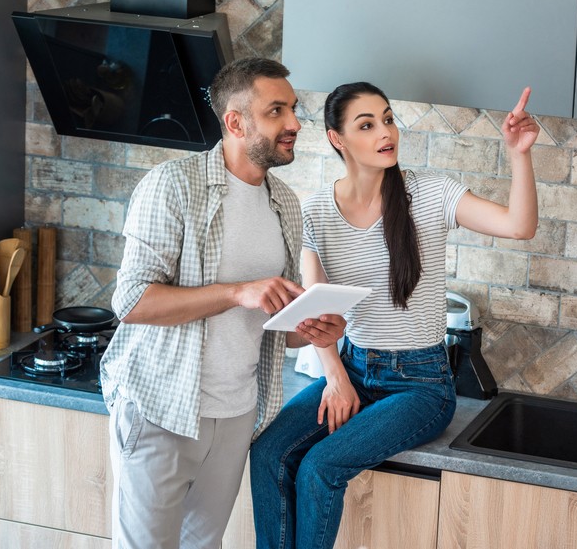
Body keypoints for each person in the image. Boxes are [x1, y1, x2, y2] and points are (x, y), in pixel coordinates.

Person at [250, 81, 539, 549]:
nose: (385, 132)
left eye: (387, 119)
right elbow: (316, 317)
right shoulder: (317, 212)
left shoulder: (430, 195)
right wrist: (337, 378)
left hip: (421, 386)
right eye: (367, 125)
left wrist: (519, 153)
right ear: (337, 139)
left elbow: (519, 226)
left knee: (321, 467)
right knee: (268, 453)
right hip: (354, 370)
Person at [99, 57, 347, 549]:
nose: (294, 123)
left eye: (293, 109)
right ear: (235, 122)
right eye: (276, 111)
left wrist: (313, 329)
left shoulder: (284, 203)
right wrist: (238, 291)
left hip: (236, 414)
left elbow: (275, 322)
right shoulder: (173, 185)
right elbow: (131, 301)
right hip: (161, 408)